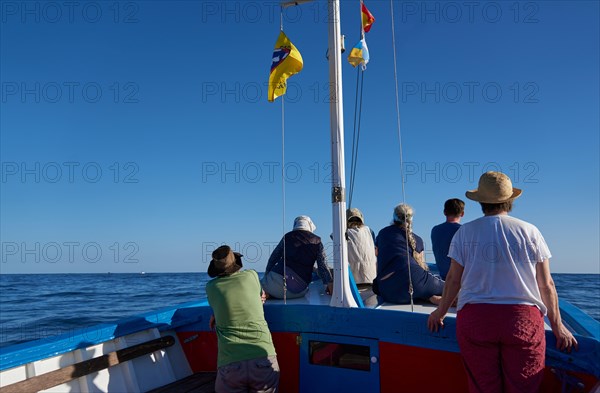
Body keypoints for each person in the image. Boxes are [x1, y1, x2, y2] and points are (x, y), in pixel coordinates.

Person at [428, 172, 578, 393]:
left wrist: (440, 313)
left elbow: (453, 279)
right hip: (522, 322)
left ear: (480, 202)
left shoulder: (465, 232)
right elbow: (546, 284)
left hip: (476, 320)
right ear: (510, 200)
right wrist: (558, 326)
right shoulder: (530, 231)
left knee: (484, 387)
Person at [206, 245, 280, 393]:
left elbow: (221, 305)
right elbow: (261, 295)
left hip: (230, 364)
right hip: (263, 358)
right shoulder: (251, 276)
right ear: (236, 263)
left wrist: (215, 315)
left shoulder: (211, 287)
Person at [374, 204, 444, 304]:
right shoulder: (418, 239)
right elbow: (422, 265)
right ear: (411, 219)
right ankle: (429, 295)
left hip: (388, 291)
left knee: (412, 288)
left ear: (394, 217)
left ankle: (428, 296)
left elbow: (377, 257)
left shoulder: (383, 233)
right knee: (450, 288)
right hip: (414, 282)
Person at [262, 216, 333, 299]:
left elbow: (273, 258)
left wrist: (266, 275)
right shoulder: (317, 241)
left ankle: (267, 294)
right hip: (297, 291)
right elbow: (323, 266)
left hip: (272, 283)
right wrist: (329, 283)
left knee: (263, 287)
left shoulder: (287, 237)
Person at [431, 198, 465, 280]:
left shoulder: (435, 230)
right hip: (460, 279)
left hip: (443, 278)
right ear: (462, 214)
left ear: (444, 212)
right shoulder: (464, 230)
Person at [346, 208, 377, 285]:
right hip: (371, 277)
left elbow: (333, 236)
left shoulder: (343, 232)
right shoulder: (369, 231)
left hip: (353, 280)